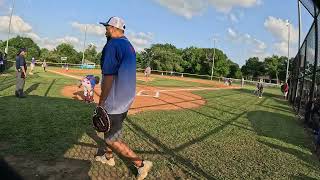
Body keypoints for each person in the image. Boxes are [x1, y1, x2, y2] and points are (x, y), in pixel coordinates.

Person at [96, 16, 152, 180]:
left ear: (113, 28)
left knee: (112, 139)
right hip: (125, 99)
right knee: (108, 132)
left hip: (114, 101)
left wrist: (101, 102)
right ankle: (108, 158)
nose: (105, 30)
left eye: (107, 27)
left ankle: (141, 164)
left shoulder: (113, 44)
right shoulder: (128, 44)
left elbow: (108, 77)